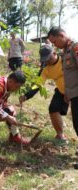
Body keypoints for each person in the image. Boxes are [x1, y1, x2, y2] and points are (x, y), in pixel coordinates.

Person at [19, 44, 69, 142]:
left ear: (54, 53)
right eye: (45, 59)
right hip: (61, 90)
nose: (47, 61)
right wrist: (26, 96)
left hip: (74, 88)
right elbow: (38, 84)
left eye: (48, 58)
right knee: (53, 109)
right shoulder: (45, 69)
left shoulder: (65, 59)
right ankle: (60, 135)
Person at [47, 27, 78, 168]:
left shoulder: (75, 47)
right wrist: (68, 93)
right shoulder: (65, 51)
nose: (55, 45)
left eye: (55, 42)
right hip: (73, 93)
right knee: (76, 124)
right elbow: (68, 74)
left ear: (61, 35)